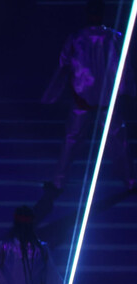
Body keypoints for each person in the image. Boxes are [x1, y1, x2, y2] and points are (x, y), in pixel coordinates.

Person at [42, 0, 135, 192]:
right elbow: (125, 69)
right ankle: (130, 180)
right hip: (105, 101)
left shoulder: (76, 38)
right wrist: (126, 92)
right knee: (118, 143)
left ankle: (58, 181)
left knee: (72, 141)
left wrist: (53, 95)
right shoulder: (114, 37)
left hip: (82, 100)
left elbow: (63, 68)